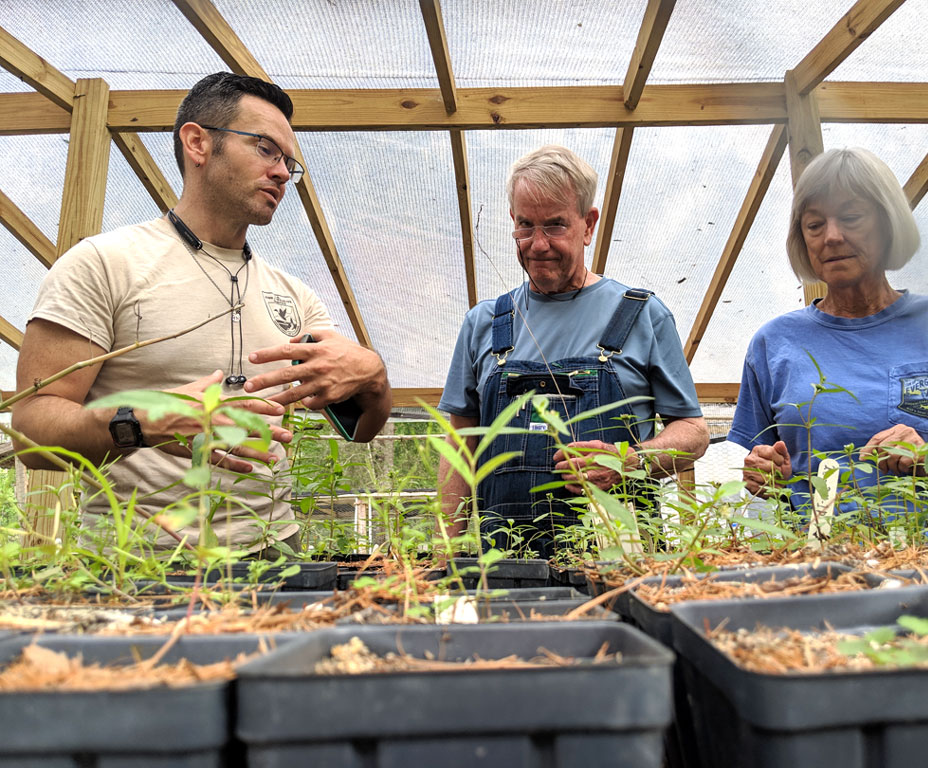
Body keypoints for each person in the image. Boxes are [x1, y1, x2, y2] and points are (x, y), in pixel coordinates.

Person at [12, 72, 392, 555]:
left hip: (275, 552)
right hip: (139, 558)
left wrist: (375, 378)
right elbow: (30, 429)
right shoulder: (104, 264)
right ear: (197, 143)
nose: (282, 172)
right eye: (265, 148)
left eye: (288, 163)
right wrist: (141, 422)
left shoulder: (293, 295)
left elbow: (360, 427)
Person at [438, 145, 709, 557]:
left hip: (621, 566)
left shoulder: (640, 315)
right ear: (512, 220)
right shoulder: (485, 322)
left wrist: (626, 460)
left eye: (555, 226)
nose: (538, 244)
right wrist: (446, 560)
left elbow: (693, 434)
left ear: (588, 224)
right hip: (504, 569)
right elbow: (459, 449)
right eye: (526, 225)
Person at [730, 146, 928, 520]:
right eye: (814, 225)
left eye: (851, 217)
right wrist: (766, 473)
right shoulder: (774, 342)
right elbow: (768, 469)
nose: (831, 237)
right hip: (823, 564)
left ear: (888, 225)